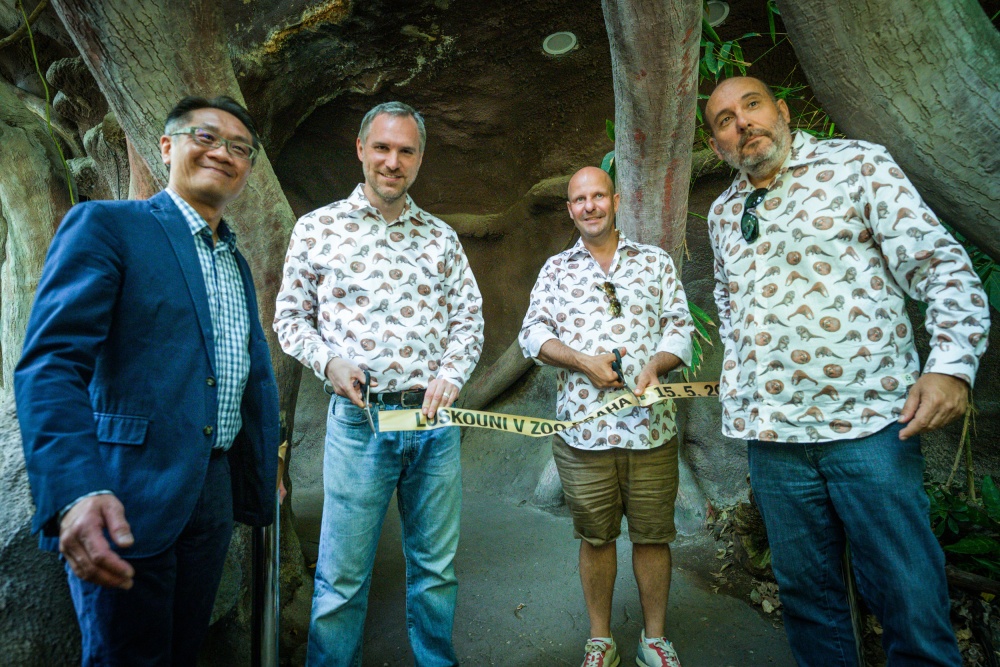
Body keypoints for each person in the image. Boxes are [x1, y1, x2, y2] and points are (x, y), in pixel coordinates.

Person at [703, 76, 990, 666]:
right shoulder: (722, 212)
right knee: (810, 601)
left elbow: (942, 267)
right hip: (774, 442)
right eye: (725, 120)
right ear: (717, 147)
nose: (743, 123)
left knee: (908, 596)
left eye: (751, 105)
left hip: (870, 429)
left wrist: (952, 368)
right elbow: (728, 304)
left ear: (781, 112)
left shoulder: (856, 165)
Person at [15, 95, 281, 665]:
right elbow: (52, 364)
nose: (223, 153)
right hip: (124, 492)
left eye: (240, 148)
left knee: (184, 650)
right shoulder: (109, 227)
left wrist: (263, 470)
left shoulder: (233, 259)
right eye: (205, 137)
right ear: (167, 146)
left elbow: (244, 372)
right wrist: (75, 490)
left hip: (209, 491)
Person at [274, 101, 484, 666]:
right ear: (361, 150)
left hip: (432, 427)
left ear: (419, 159)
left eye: (406, 151)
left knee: (436, 571)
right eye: (383, 148)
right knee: (341, 576)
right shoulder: (316, 229)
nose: (393, 161)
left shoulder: (440, 237)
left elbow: (469, 317)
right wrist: (328, 363)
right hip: (358, 425)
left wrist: (450, 375)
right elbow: (289, 318)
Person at [519, 166, 693, 667]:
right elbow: (532, 335)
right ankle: (601, 639)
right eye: (579, 199)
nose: (590, 206)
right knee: (595, 539)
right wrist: (580, 361)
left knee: (653, 536)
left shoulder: (655, 262)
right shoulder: (555, 270)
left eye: (598, 196)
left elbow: (679, 326)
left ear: (615, 200)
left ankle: (654, 639)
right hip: (583, 435)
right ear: (570, 209)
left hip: (651, 430)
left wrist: (658, 365)